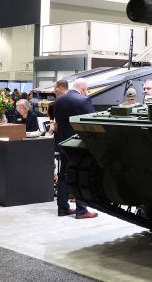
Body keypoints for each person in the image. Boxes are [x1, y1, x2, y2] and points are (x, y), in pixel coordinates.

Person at [52, 78, 98, 219]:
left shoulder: (59, 101)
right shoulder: (84, 100)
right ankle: (81, 210)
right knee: (80, 175)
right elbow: (93, 122)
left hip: (63, 143)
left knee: (63, 175)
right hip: (78, 145)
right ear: (83, 89)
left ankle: (62, 208)